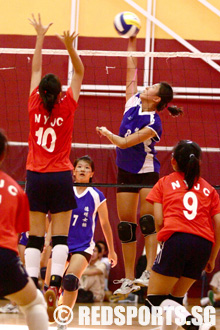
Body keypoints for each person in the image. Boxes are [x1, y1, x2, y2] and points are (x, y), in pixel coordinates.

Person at [96, 35, 183, 299]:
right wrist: (131, 42)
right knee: (125, 225)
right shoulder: (132, 100)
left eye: (152, 86)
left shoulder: (154, 123)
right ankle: (131, 277)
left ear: (157, 99)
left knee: (147, 222)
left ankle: (151, 271)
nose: (147, 86)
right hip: (125, 171)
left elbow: (124, 143)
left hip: (146, 172)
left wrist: (107, 134)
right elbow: (131, 70)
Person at [24, 14, 84, 323]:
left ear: (42, 92)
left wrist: (39, 37)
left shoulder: (34, 102)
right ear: (59, 92)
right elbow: (80, 72)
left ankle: (34, 286)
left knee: (35, 239)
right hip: (61, 175)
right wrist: (69, 47)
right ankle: (57, 284)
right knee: (61, 240)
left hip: (35, 175)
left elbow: (35, 68)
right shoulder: (68, 104)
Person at [144, 140, 220, 330]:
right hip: (203, 245)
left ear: (173, 162)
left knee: (154, 301)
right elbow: (219, 226)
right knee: (174, 299)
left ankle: (198, 325)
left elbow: (159, 220)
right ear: (199, 163)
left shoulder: (165, 182)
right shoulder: (210, 190)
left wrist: (166, 244)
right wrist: (212, 256)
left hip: (177, 239)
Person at [56, 155, 117, 330]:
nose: (82, 170)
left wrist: (111, 250)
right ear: (73, 171)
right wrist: (47, 240)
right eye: (79, 167)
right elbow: (53, 217)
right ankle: (58, 302)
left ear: (92, 174)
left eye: (87, 168)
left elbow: (105, 224)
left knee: (70, 280)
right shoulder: (64, 190)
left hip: (83, 246)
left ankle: (63, 319)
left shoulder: (97, 195)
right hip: (61, 243)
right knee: (50, 281)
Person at [0, 130, 48, 329]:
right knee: (34, 303)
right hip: (4, 256)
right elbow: (19, 234)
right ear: (3, 155)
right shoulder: (15, 189)